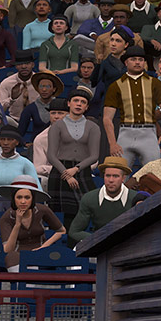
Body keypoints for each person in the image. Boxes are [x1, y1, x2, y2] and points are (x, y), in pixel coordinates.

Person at [102, 45, 161, 170]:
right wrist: (112, 143)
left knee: (155, 174)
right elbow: (107, 118)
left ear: (144, 63)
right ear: (126, 62)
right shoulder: (116, 86)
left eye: (140, 60)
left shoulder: (155, 83)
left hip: (148, 133)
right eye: (133, 59)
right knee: (118, 172)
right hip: (125, 132)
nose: (137, 62)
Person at [46, 86, 101, 221]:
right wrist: (67, 174)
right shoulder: (57, 126)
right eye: (76, 100)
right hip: (60, 171)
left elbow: (94, 156)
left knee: (88, 209)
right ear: (69, 103)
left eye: (83, 102)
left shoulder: (93, 127)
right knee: (62, 215)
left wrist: (75, 169)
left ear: (87, 107)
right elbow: (51, 155)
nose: (79, 104)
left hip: (82, 171)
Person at [68, 156, 140, 245]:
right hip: (101, 247)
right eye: (108, 176)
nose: (111, 180)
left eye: (116, 176)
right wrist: (99, 239)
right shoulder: (90, 198)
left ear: (123, 178)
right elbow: (74, 231)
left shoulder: (135, 198)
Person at [0, 176, 65, 271]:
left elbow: (61, 231)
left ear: (33, 199)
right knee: (11, 257)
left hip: (42, 251)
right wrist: (17, 224)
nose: (23, 201)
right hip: (18, 254)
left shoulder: (42, 210)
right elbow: (7, 250)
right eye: (19, 197)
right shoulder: (6, 217)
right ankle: (24, 282)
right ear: (14, 198)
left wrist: (43, 247)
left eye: (27, 197)